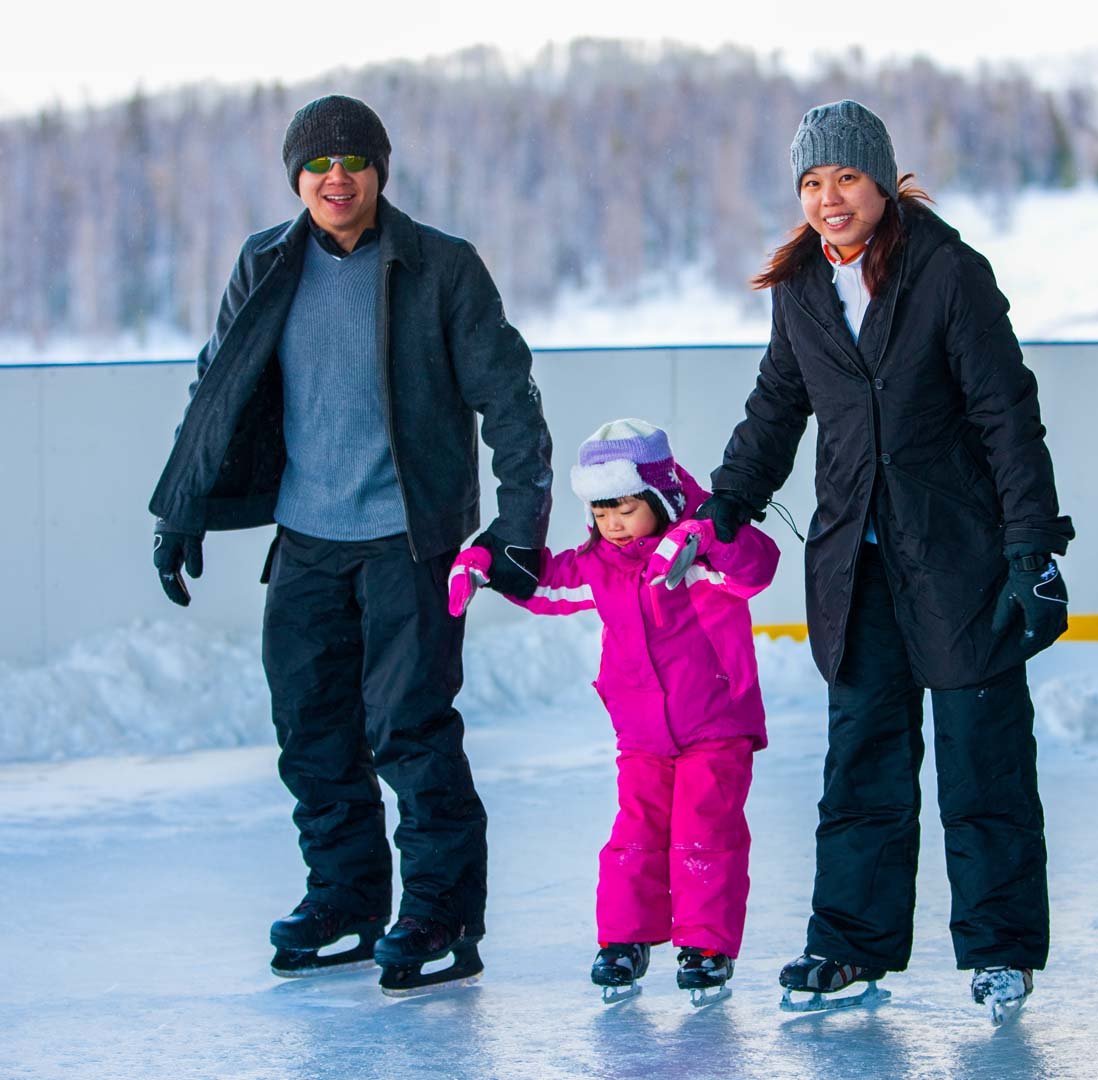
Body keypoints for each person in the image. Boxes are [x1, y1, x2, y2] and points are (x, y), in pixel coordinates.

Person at [148, 94, 554, 994]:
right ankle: (347, 896)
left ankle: (442, 914)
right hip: (306, 541)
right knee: (312, 732)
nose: (338, 178)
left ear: (380, 171)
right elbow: (215, 387)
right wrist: (182, 508)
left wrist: (521, 525)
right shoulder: (265, 262)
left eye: (355, 162)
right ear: (296, 175)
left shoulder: (440, 267)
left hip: (407, 541)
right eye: (319, 164)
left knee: (409, 732)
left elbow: (511, 400)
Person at [695, 100, 1074, 1021]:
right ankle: (851, 945)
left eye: (848, 180)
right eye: (814, 183)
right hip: (855, 565)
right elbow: (776, 408)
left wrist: (1032, 546)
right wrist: (725, 503)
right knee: (861, 760)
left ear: (881, 182)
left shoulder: (947, 274)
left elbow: (1006, 416)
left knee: (981, 759)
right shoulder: (802, 290)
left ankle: (999, 949)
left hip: (959, 559)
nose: (831, 199)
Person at [450, 419, 779, 1003]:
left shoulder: (699, 548)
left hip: (714, 724)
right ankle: (625, 940)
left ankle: (706, 946)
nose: (612, 523)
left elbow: (754, 568)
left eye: (625, 508)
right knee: (634, 836)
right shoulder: (601, 563)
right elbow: (550, 585)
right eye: (601, 512)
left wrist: (711, 534)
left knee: (706, 833)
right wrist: (491, 564)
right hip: (643, 733)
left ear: (658, 497)